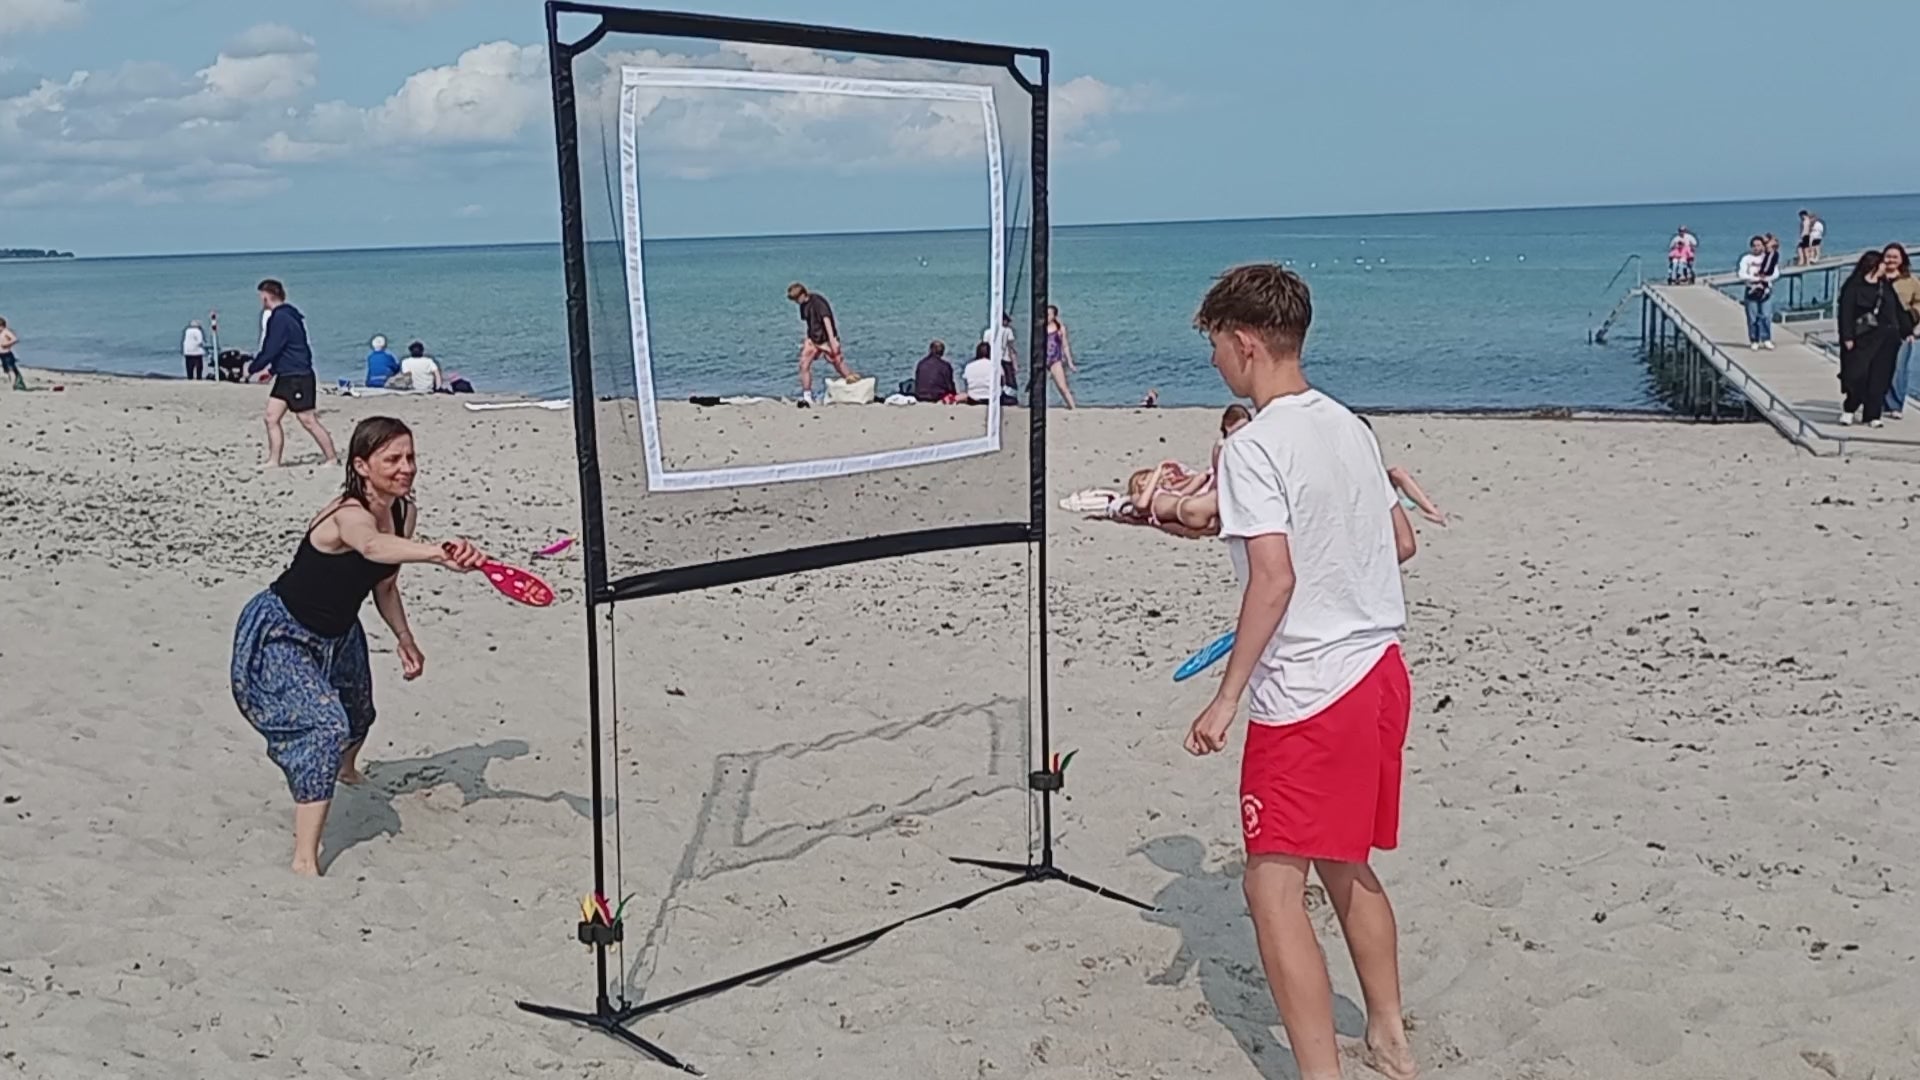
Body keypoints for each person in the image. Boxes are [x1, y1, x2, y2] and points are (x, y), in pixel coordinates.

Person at [1183, 263, 1419, 1080]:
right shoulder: (1350, 425)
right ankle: (1387, 1031)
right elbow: (1399, 542)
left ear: (1246, 342)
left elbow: (1275, 579)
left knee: (1270, 887)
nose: (1214, 359)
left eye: (1216, 344)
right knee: (1346, 860)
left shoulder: (1253, 444)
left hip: (1312, 692)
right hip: (1380, 671)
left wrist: (1225, 698)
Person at [231, 417, 486, 875]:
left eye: (410, 457)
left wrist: (404, 637)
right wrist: (438, 553)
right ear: (362, 466)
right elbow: (370, 547)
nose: (406, 467)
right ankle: (305, 858)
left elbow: (384, 584)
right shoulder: (347, 514)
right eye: (393, 459)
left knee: (359, 711)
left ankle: (346, 770)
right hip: (283, 631)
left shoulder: (404, 512)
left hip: (340, 632)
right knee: (325, 727)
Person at [246, 280, 339, 467]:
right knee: (271, 417)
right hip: (285, 375)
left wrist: (252, 367)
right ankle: (274, 460)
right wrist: (271, 370)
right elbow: (285, 349)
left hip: (298, 376)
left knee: (307, 419)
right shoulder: (288, 315)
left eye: (261, 296)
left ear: (266, 296)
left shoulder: (281, 318)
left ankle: (332, 458)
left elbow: (272, 348)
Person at [1837, 251, 1904, 428]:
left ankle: (1873, 415)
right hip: (1862, 338)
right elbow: (1845, 313)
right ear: (1873, 265)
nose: (1885, 266)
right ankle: (1850, 408)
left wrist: (1906, 331)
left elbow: (1896, 310)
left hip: (1886, 338)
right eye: (1882, 263)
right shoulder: (1853, 286)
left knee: (1880, 377)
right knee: (1856, 375)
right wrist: (1847, 336)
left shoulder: (1885, 286)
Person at [786, 282, 858, 405]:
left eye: (797, 299)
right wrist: (807, 339)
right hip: (813, 339)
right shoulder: (803, 306)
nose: (797, 302)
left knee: (838, 362)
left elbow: (826, 320)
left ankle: (854, 385)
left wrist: (832, 341)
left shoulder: (818, 302)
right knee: (804, 364)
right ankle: (807, 396)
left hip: (826, 339)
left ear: (803, 294)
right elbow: (809, 323)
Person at [1881, 243, 1918, 420]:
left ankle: (1895, 405)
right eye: (1888, 256)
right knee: (1877, 367)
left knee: (1899, 369)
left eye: (1895, 257)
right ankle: (1878, 401)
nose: (1891, 260)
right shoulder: (1877, 278)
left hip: (1903, 331)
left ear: (1902, 259)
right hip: (1878, 330)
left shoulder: (1910, 281)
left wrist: (1915, 324)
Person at [1736, 235, 1777, 349]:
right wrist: (1755, 279)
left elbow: (1775, 273)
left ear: (1763, 246)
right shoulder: (1746, 259)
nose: (1756, 248)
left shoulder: (1768, 258)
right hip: (1751, 290)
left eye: (1759, 245)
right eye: (1754, 246)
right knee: (1752, 317)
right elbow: (1741, 274)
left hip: (1765, 290)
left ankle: (1766, 338)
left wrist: (1764, 279)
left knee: (1766, 315)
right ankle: (1754, 340)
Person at [1044, 305, 1079, 409]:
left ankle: (1072, 407)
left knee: (1062, 387)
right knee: (1038, 388)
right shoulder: (1040, 328)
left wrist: (1070, 362)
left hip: (1055, 359)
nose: (1046, 317)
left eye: (1048, 314)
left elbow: (1065, 346)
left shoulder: (1060, 328)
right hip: (1042, 360)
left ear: (1054, 316)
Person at [0, 317, 21, 391]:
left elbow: (15, 339)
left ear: (2, 326)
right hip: (1, 354)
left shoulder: (6, 332)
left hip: (7, 354)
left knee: (11, 370)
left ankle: (12, 385)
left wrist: (7, 344)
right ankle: (13, 383)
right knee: (7, 370)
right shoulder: (1, 333)